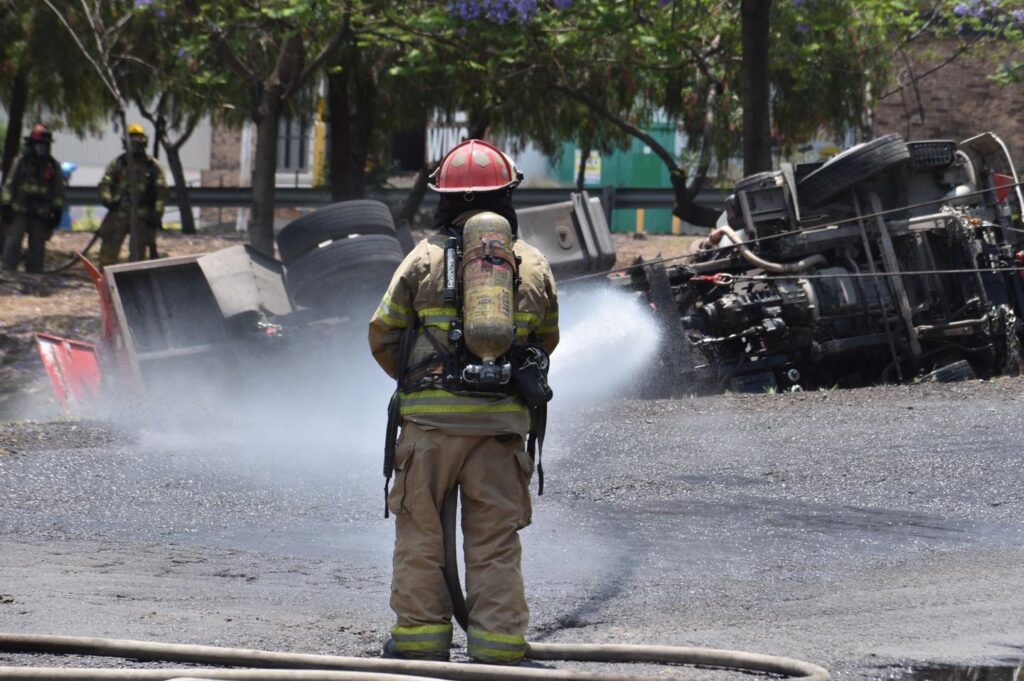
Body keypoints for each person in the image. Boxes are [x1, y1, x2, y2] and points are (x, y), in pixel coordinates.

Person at [368, 139, 559, 665]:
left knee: (421, 533)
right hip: (500, 430)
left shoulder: (422, 261)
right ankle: (498, 646)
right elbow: (546, 343)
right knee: (494, 540)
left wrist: (422, 387)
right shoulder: (532, 265)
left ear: (444, 201)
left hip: (429, 428)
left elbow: (382, 334)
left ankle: (420, 641)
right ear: (508, 198)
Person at [97, 123, 167, 266]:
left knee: (137, 258)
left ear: (144, 142)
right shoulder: (118, 163)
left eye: (138, 141)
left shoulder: (152, 166)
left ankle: (134, 284)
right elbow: (105, 184)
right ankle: (105, 282)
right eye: (132, 141)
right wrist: (109, 200)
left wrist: (156, 214)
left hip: (141, 217)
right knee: (108, 252)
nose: (136, 145)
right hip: (118, 214)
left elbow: (162, 191)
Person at [1, 124, 65, 273]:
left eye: (46, 145)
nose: (43, 148)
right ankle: (8, 271)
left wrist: (57, 210)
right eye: (40, 144)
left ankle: (34, 273)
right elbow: (9, 185)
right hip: (19, 210)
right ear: (32, 144)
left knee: (37, 244)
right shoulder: (20, 162)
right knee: (13, 241)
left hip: (41, 213)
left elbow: (58, 190)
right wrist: (5, 205)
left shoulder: (53, 165)